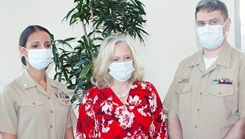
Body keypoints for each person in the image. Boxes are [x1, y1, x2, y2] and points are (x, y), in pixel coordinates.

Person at [163, 0, 245, 139]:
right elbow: (172, 113)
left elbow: (243, 122)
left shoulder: (241, 64)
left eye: (213, 22)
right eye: (201, 23)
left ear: (227, 24)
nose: (206, 28)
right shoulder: (185, 65)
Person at [76, 35, 168, 139]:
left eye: (127, 58)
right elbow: (84, 135)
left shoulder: (148, 91)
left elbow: (160, 131)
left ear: (134, 60)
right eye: (115, 59)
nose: (123, 63)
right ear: (106, 63)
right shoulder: (92, 97)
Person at [0, 25, 77, 139]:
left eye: (47, 45)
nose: (43, 50)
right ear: (23, 51)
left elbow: (68, 135)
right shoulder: (11, 91)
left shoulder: (61, 89)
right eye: (35, 46)